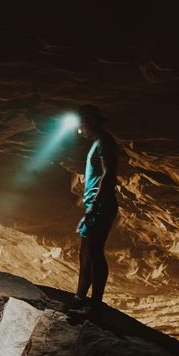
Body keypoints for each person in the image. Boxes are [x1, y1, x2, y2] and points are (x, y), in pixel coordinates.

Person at [65, 104, 120, 321]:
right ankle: (80, 299)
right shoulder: (99, 143)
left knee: (95, 254)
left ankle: (94, 307)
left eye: (81, 125)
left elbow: (109, 175)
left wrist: (96, 205)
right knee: (85, 252)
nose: (80, 131)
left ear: (91, 122)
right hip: (96, 205)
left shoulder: (105, 142)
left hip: (102, 205)